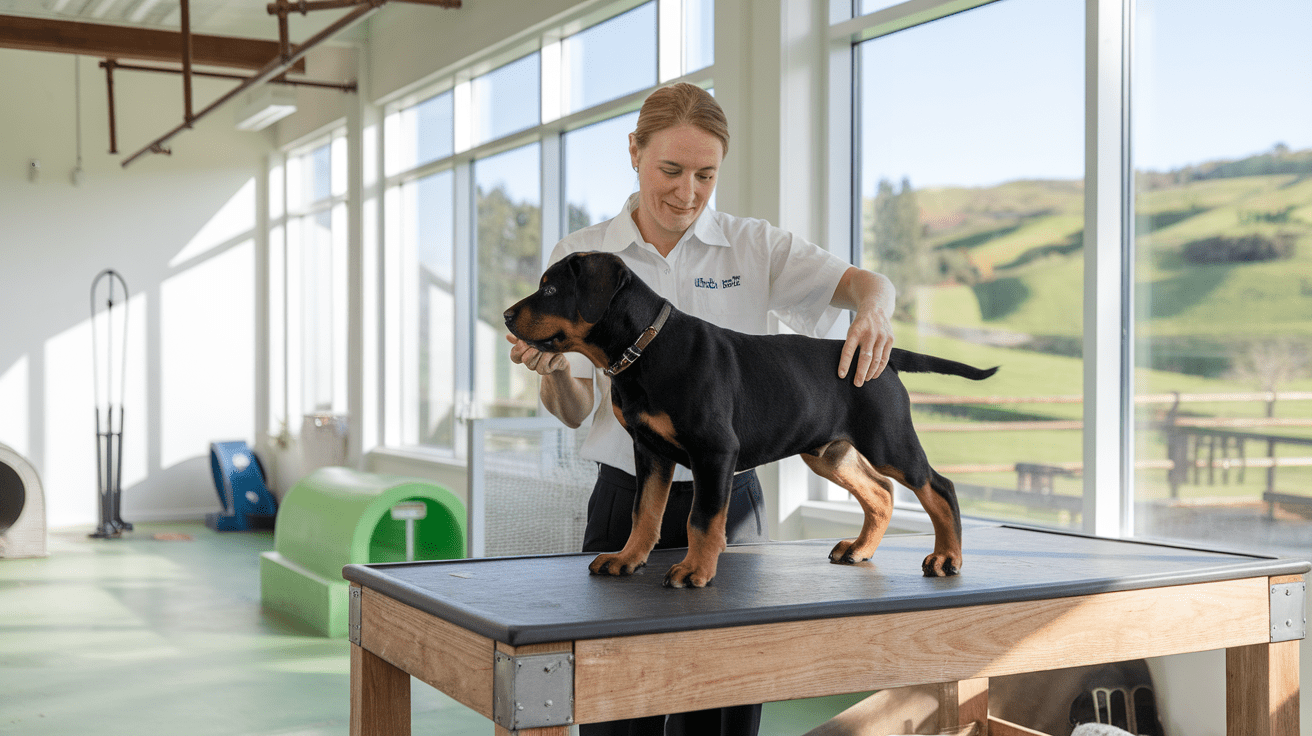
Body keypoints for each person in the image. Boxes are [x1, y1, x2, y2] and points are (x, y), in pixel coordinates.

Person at [506, 83, 896, 736]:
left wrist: (875, 310)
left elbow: (865, 283)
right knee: (615, 715)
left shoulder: (756, 246)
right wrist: (553, 374)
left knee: (721, 717)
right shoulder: (581, 256)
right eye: (671, 170)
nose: (687, 192)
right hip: (625, 503)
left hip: (730, 508)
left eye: (705, 174)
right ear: (634, 152)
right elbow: (575, 409)